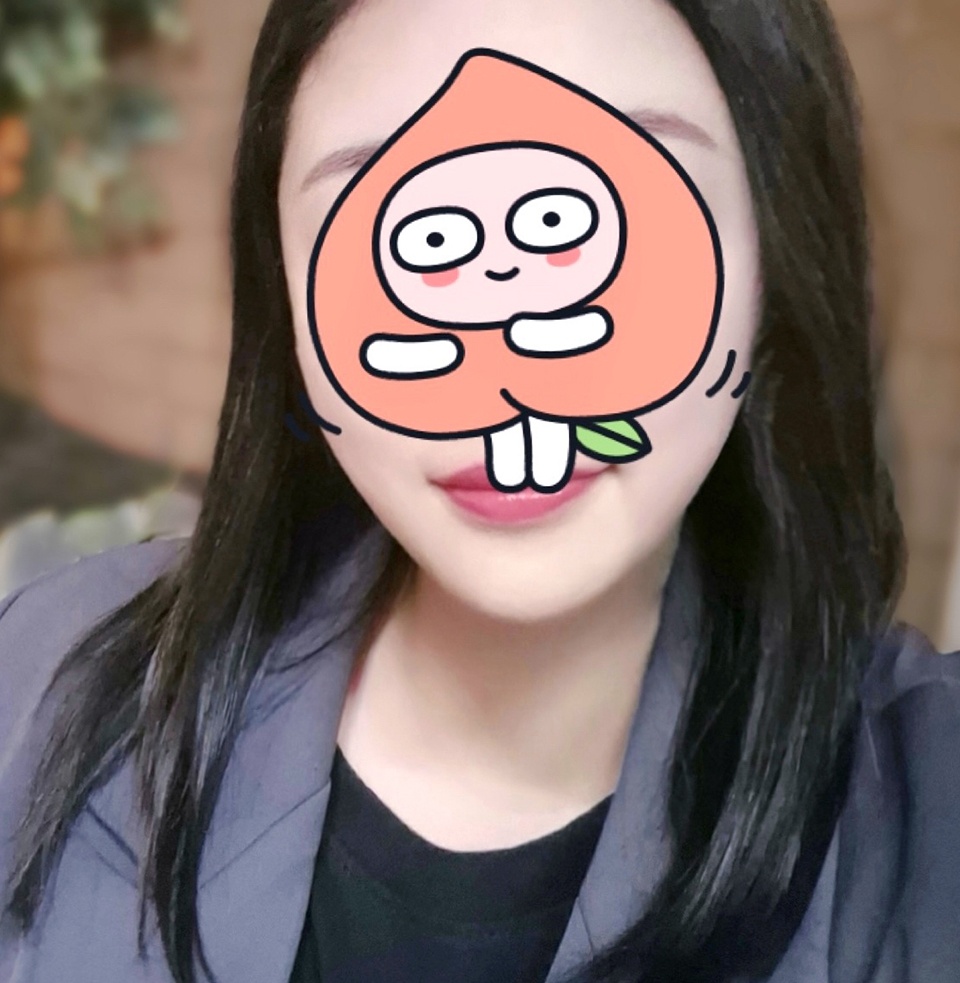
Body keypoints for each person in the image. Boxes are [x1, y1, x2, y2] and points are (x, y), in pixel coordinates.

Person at [1, 1, 957, 982]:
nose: (500, 343)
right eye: (398, 220)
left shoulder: (925, 798)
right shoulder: (40, 676)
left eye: (611, 203)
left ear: (773, 267)